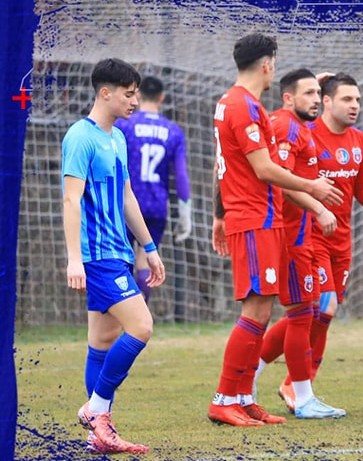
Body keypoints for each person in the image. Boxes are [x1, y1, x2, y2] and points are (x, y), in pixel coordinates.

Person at [208, 33, 343, 427]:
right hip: (254, 218)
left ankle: (244, 396)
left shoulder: (239, 104)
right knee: (255, 311)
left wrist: (219, 214)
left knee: (263, 312)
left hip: (254, 217)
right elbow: (263, 169)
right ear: (267, 64)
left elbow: (225, 164)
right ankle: (223, 398)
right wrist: (312, 187)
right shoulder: (242, 106)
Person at [264, 73, 363, 411]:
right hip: (311, 234)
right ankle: (293, 385)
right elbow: (284, 178)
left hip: (342, 239)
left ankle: (289, 382)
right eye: (346, 99)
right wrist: (317, 207)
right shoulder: (306, 133)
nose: (355, 106)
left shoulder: (358, 141)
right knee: (320, 307)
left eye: (357, 100)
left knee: (320, 314)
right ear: (326, 101)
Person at [62, 58, 165, 454]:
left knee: (102, 341)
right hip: (97, 254)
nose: (135, 100)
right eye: (128, 92)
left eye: (137, 92)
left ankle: (98, 437)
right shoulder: (80, 137)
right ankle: (97, 409)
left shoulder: (118, 138)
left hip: (119, 251)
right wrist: (75, 258)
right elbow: (71, 200)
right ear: (105, 93)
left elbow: (125, 197)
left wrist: (149, 247)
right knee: (141, 327)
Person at [246, 68, 346, 419]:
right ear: (288, 97)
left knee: (308, 312)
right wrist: (318, 206)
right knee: (302, 313)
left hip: (300, 235)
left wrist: (310, 83)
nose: (316, 100)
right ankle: (300, 397)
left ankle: (257, 383)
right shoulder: (287, 126)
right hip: (291, 236)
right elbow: (280, 180)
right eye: (308, 94)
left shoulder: (292, 123)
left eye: (318, 94)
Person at [115, 76, 191, 302]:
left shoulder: (124, 125)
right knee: (146, 258)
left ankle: (126, 315)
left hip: (126, 202)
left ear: (138, 95)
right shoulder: (173, 131)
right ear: (162, 98)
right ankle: (141, 313)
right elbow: (181, 174)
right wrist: (185, 211)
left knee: (122, 260)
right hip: (157, 205)